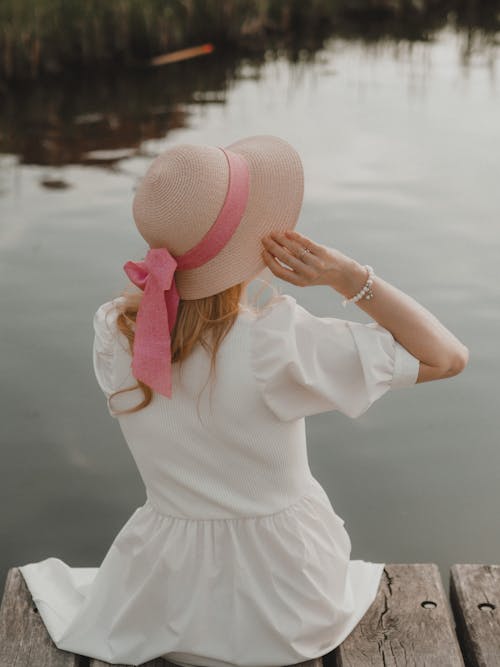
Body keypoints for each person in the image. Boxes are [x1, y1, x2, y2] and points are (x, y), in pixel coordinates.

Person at [18, 135, 469, 667]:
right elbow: (446, 357)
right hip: (286, 608)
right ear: (252, 243)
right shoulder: (276, 345)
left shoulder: (114, 331)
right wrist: (348, 276)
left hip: (162, 599)